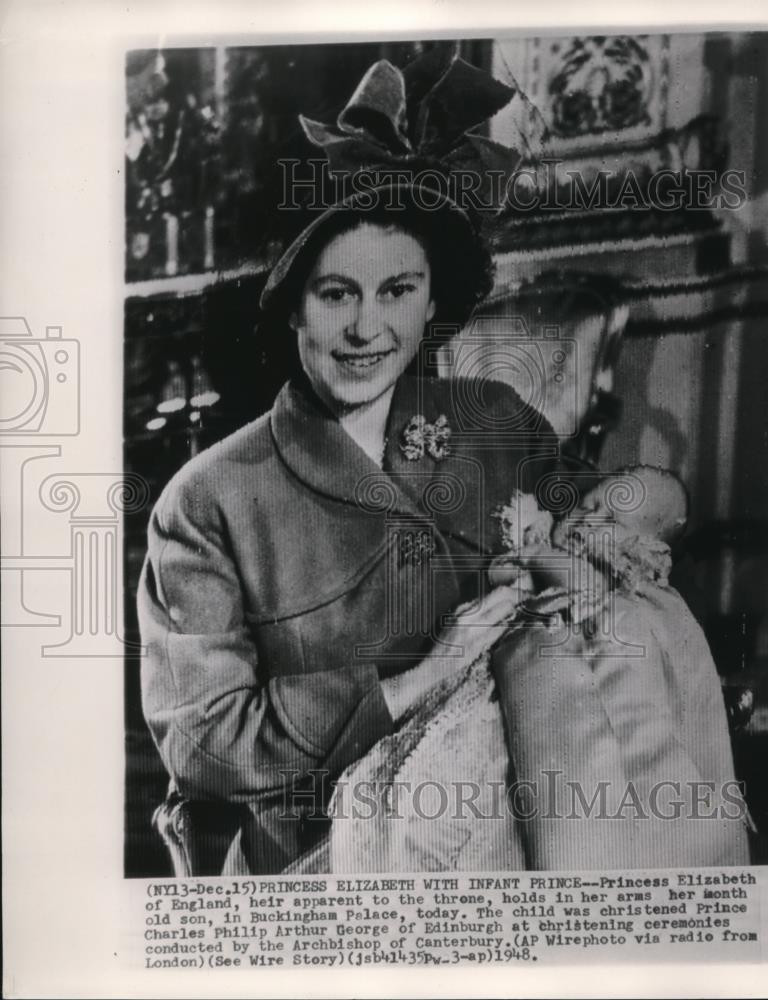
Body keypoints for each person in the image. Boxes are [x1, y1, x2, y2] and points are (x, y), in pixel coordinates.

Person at [137, 51, 559, 874]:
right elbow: (203, 743)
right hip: (318, 869)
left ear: (435, 299)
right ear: (291, 303)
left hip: (521, 838)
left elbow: (589, 572)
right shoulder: (208, 500)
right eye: (337, 294)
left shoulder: (501, 425)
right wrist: (415, 679)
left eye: (397, 291)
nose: (368, 329)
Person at [290, 466, 750, 873]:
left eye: (612, 520)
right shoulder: (557, 559)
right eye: (589, 505)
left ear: (645, 546)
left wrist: (532, 554)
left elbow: (578, 585)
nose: (590, 520)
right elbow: (500, 577)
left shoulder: (615, 580)